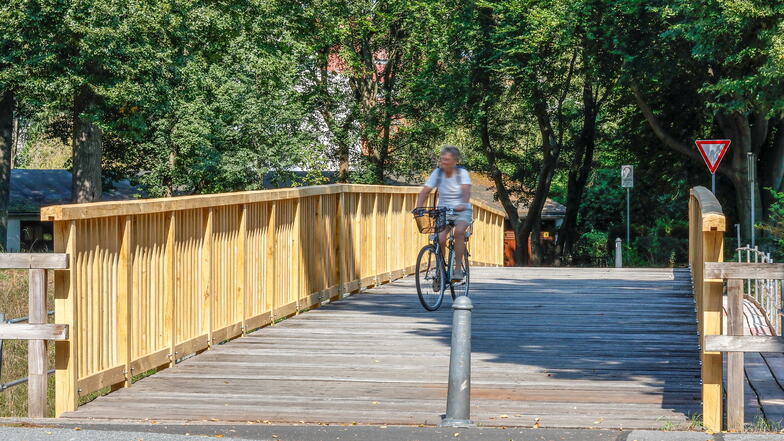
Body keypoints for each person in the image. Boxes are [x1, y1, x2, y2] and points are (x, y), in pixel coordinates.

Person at [414, 145, 472, 281]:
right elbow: (425, 192)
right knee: (440, 238)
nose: (444, 162)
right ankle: (441, 269)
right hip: (443, 210)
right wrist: (418, 208)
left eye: (448, 159)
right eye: (442, 159)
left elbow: (466, 191)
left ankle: (457, 269)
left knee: (459, 233)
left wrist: (462, 203)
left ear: (455, 161)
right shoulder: (437, 173)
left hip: (461, 210)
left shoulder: (462, 173)